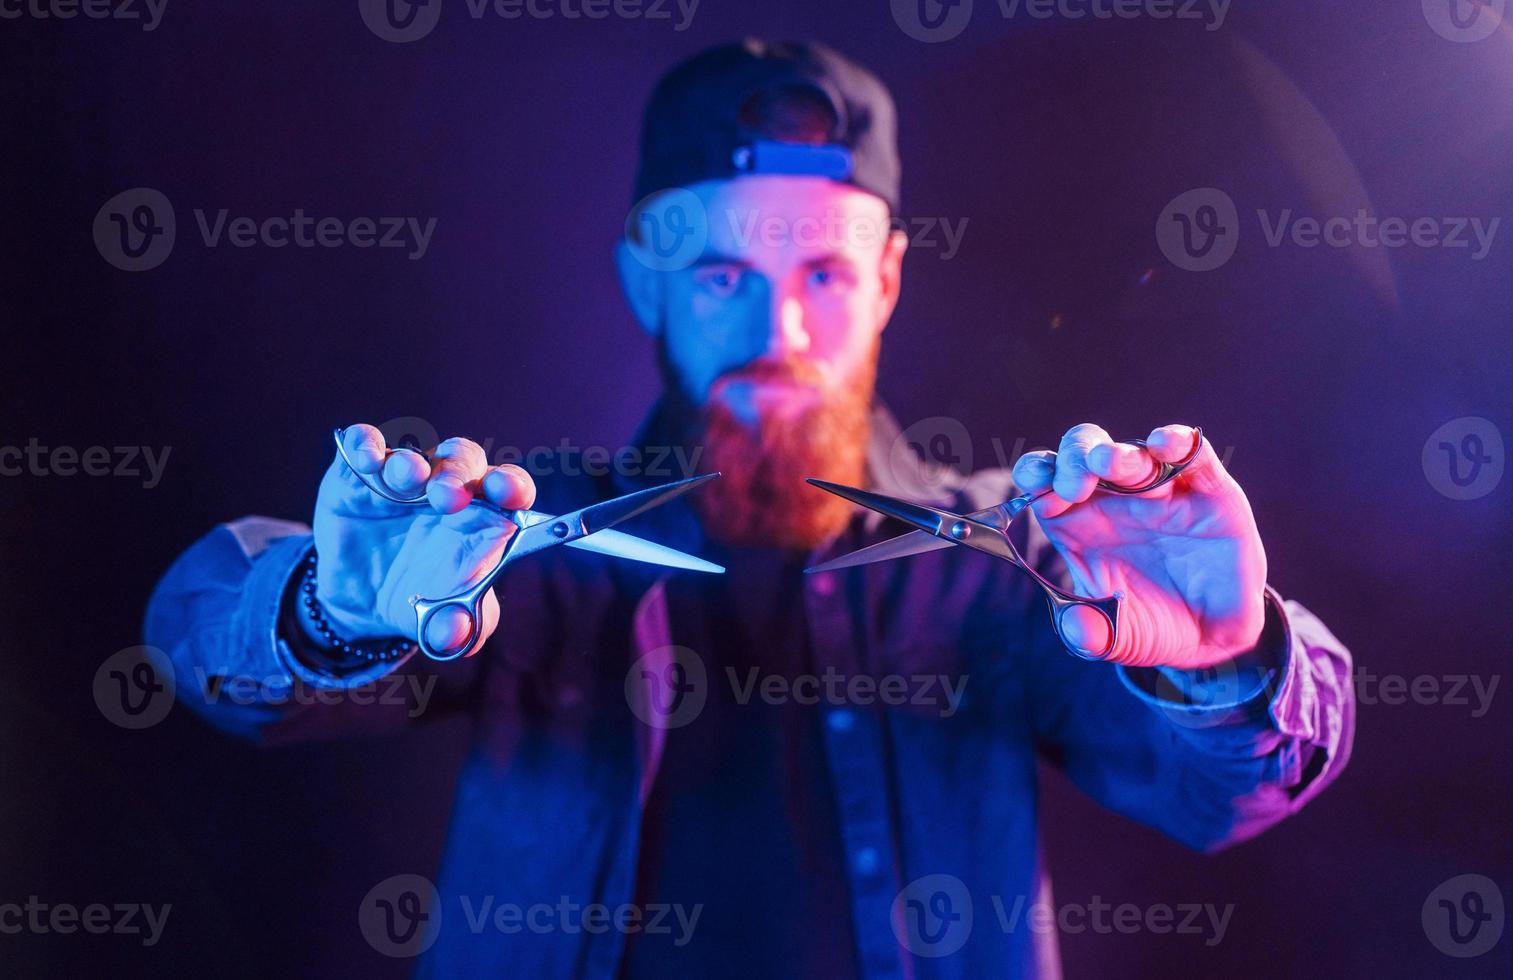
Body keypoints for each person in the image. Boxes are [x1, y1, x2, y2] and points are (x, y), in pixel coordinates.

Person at [145, 39, 1355, 979]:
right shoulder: (506, 548)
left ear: (885, 281)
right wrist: (329, 613)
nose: (777, 335)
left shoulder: (1018, 562)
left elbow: (1225, 795)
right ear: (643, 277)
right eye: (723, 273)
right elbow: (204, 638)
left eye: (823, 273)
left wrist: (1226, 659)